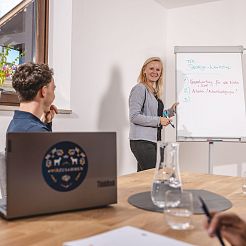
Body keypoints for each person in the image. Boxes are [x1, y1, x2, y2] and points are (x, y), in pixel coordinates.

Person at [129, 57, 178, 171]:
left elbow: (154, 114)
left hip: (155, 141)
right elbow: (134, 116)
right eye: (151, 68)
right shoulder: (140, 89)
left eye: (158, 70)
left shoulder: (154, 92)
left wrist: (171, 111)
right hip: (142, 141)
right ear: (144, 70)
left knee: (144, 179)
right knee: (156, 175)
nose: (154, 72)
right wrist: (159, 120)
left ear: (161, 73)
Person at [7, 62, 57, 132]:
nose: (54, 96)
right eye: (53, 89)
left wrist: (46, 123)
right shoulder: (37, 131)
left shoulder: (15, 123)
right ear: (44, 91)